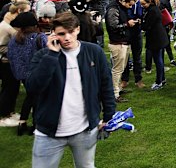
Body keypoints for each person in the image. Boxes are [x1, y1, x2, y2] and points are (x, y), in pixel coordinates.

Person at [26, 12, 116, 168]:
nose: (67, 37)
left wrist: (109, 116)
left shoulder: (94, 51)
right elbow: (33, 87)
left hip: (85, 129)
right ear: (53, 34)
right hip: (49, 132)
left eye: (70, 32)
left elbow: (106, 85)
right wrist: (52, 55)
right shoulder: (43, 55)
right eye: (61, 34)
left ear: (78, 30)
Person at [8, 12, 47, 135]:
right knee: (37, 99)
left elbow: (11, 56)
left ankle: (22, 122)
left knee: (30, 96)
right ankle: (36, 125)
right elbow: (47, 54)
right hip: (37, 73)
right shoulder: (39, 37)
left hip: (21, 74)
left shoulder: (15, 39)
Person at [105, 0, 137, 103]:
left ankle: (118, 89)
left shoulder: (120, 8)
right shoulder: (113, 9)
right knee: (117, 69)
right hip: (117, 43)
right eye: (130, 5)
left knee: (121, 68)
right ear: (123, 1)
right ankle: (115, 93)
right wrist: (127, 24)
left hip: (123, 42)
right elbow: (113, 26)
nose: (131, 7)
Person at [139, 0, 170, 91]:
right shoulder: (154, 9)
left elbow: (147, 25)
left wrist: (141, 24)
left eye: (143, 4)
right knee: (159, 59)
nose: (142, 6)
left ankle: (159, 81)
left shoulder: (152, 11)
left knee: (158, 60)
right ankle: (162, 79)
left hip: (156, 38)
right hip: (159, 37)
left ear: (149, 2)